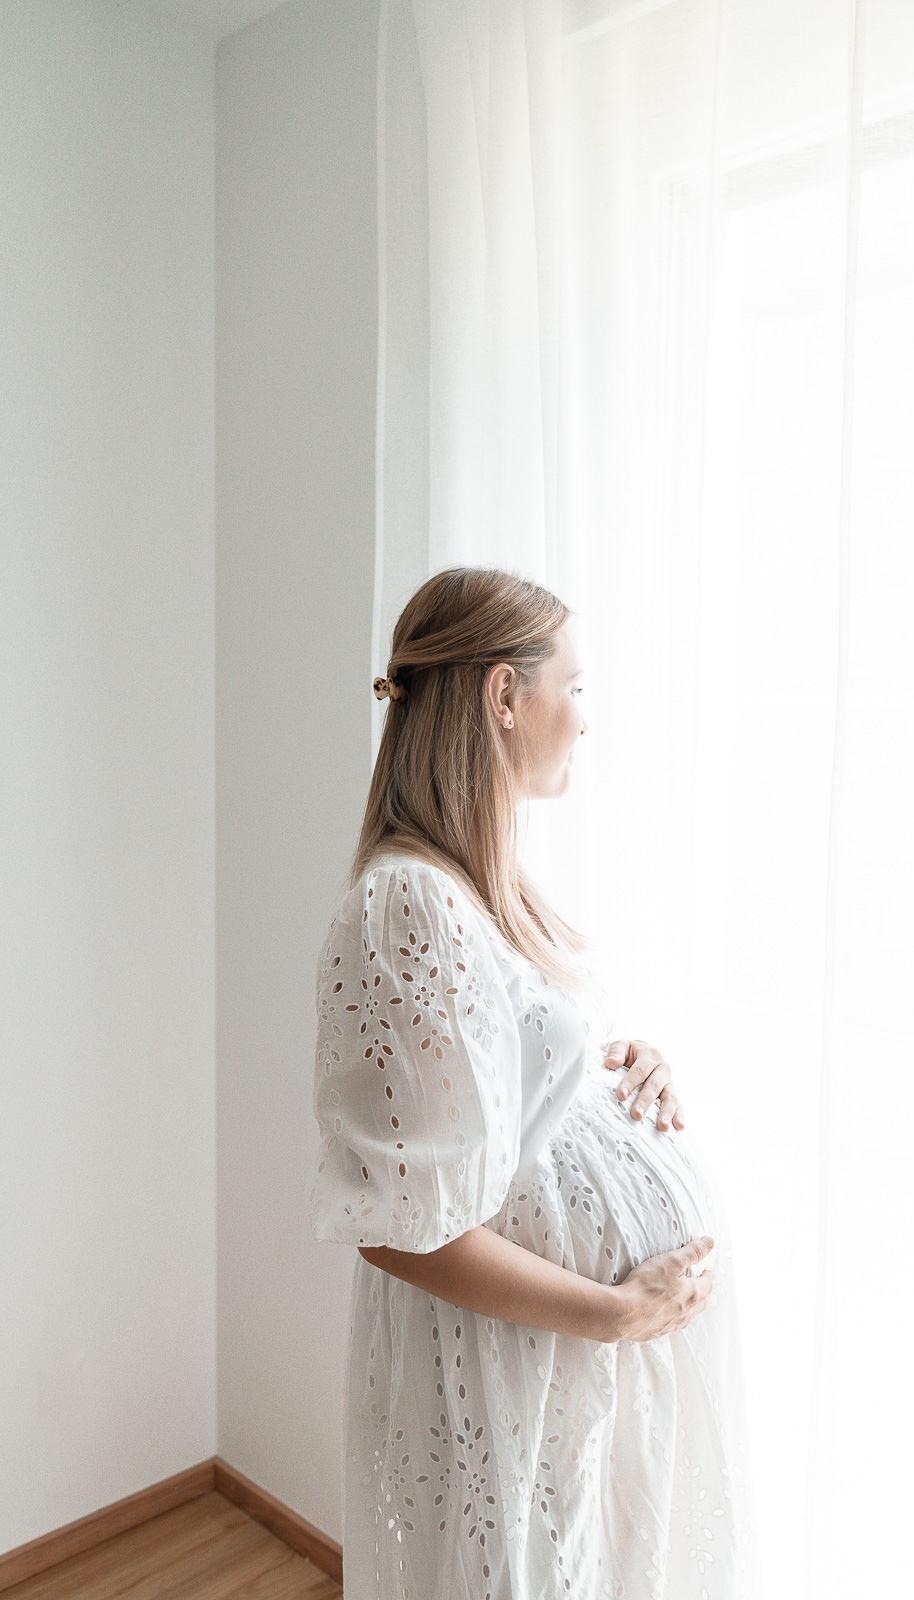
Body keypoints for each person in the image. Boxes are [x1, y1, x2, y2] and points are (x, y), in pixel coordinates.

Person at [309, 567, 760, 1600]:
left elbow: (511, 1092)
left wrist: (628, 1071)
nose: (585, 721)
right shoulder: (402, 904)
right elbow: (395, 1225)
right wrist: (610, 1311)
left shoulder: (482, 885)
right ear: (503, 697)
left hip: (551, 1363)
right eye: (576, 686)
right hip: (506, 1359)